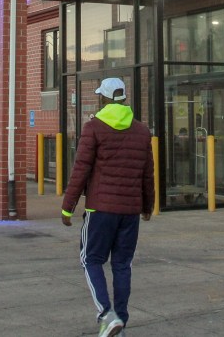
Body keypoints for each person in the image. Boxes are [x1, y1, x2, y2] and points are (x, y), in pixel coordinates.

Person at [61, 78, 154, 337]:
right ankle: (120, 322)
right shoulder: (141, 131)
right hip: (130, 211)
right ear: (123, 98)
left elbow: (81, 169)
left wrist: (68, 206)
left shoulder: (93, 128)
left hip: (100, 210)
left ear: (104, 98)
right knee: (122, 265)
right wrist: (148, 205)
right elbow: (147, 173)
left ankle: (106, 315)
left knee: (90, 259)